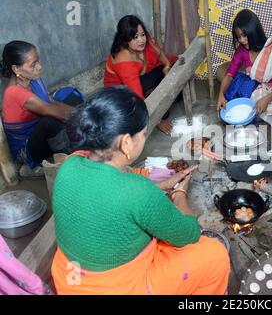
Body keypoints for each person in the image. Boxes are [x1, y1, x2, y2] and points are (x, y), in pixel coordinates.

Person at [51, 87, 230, 295]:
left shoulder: (69, 164)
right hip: (116, 288)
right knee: (214, 254)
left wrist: (163, 184)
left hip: (69, 280)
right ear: (126, 142)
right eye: (144, 134)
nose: (144, 138)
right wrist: (179, 193)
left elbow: (110, 197)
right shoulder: (138, 192)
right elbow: (188, 233)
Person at [1, 41, 80, 178]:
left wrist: (82, 113)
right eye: (33, 65)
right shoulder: (14, 93)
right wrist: (90, 117)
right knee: (52, 122)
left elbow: (51, 102)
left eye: (38, 61)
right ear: (16, 69)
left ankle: (70, 143)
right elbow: (55, 112)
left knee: (72, 96)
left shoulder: (33, 79)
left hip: (41, 134)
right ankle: (73, 161)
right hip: (26, 150)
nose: (39, 67)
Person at [104, 15, 177, 135]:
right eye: (135, 37)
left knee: (174, 70)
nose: (141, 40)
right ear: (125, 39)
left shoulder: (144, 39)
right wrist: (158, 121)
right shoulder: (124, 60)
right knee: (162, 111)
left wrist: (167, 66)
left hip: (140, 80)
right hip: (121, 95)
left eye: (142, 35)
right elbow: (137, 96)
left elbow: (159, 53)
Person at [216, 9, 272, 125]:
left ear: (254, 31)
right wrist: (220, 95)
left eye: (244, 36)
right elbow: (230, 74)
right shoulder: (242, 49)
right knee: (239, 82)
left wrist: (265, 100)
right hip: (254, 84)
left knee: (257, 113)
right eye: (238, 37)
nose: (242, 40)